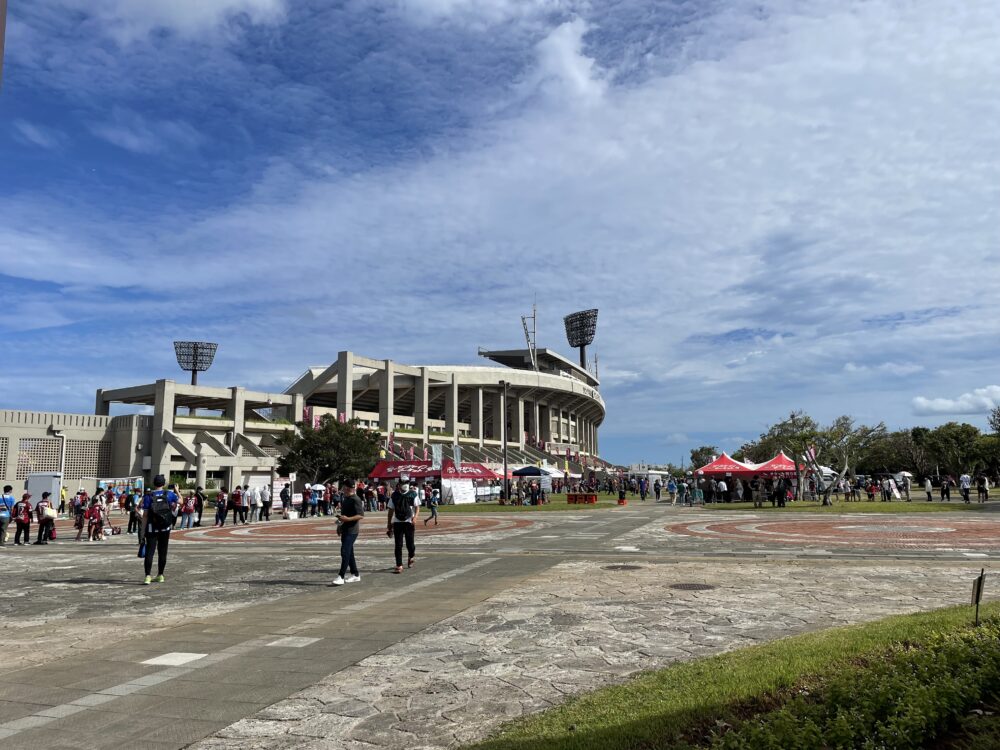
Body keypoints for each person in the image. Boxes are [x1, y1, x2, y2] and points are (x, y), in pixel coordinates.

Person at [141, 474, 179, 584]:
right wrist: (177, 491)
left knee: (149, 552)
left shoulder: (148, 496)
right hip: (165, 528)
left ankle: (148, 576)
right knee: (163, 552)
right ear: (164, 483)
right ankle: (160, 575)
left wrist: (143, 531)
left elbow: (145, 515)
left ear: (154, 483)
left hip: (151, 528)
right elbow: (180, 501)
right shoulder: (169, 494)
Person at [331, 478, 364, 586]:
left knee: (345, 551)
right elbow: (343, 515)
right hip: (345, 529)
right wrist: (339, 525)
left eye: (344, 487)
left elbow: (360, 515)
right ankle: (355, 574)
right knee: (349, 553)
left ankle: (341, 576)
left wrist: (348, 519)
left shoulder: (356, 499)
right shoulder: (345, 499)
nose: (343, 489)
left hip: (352, 530)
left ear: (347, 488)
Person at [388, 478, 420, 573]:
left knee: (410, 544)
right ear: (399, 484)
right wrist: (389, 523)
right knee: (398, 545)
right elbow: (390, 510)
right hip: (398, 522)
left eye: (406, 483)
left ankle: (411, 555)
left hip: (409, 522)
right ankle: (399, 565)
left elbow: (417, 507)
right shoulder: (394, 495)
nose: (405, 484)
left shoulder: (412, 494)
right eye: (403, 483)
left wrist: (415, 518)